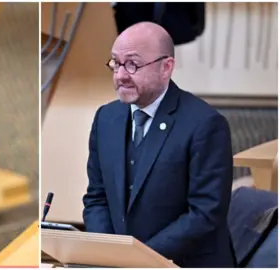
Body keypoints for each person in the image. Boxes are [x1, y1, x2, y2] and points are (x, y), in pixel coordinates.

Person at [82, 22, 236, 267]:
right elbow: (97, 198)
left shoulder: (206, 125)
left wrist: (139, 259)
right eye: (115, 63)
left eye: (132, 64)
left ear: (166, 67)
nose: (120, 75)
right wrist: (108, 254)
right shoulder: (105, 119)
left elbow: (205, 213)